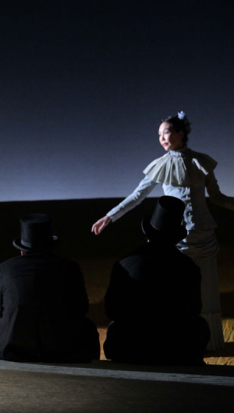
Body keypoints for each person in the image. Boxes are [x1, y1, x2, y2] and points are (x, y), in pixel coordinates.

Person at [91, 112, 234, 350]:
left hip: (204, 236)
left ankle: (210, 343)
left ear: (180, 133)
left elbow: (218, 198)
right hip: (174, 238)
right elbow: (138, 195)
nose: (162, 138)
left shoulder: (201, 162)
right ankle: (180, 341)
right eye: (159, 134)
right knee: (178, 290)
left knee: (206, 290)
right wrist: (110, 216)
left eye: (166, 132)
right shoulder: (161, 165)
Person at [104, 196, 210, 365]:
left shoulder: (125, 264)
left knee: (115, 326)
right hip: (176, 348)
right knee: (200, 325)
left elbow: (112, 309)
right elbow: (194, 308)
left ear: (147, 234)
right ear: (175, 238)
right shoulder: (188, 267)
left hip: (132, 346)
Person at [0, 214, 100, 363]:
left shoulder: (4, 269)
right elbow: (81, 308)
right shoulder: (70, 267)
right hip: (62, 347)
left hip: (15, 345)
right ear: (51, 247)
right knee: (88, 328)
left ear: (22, 251)